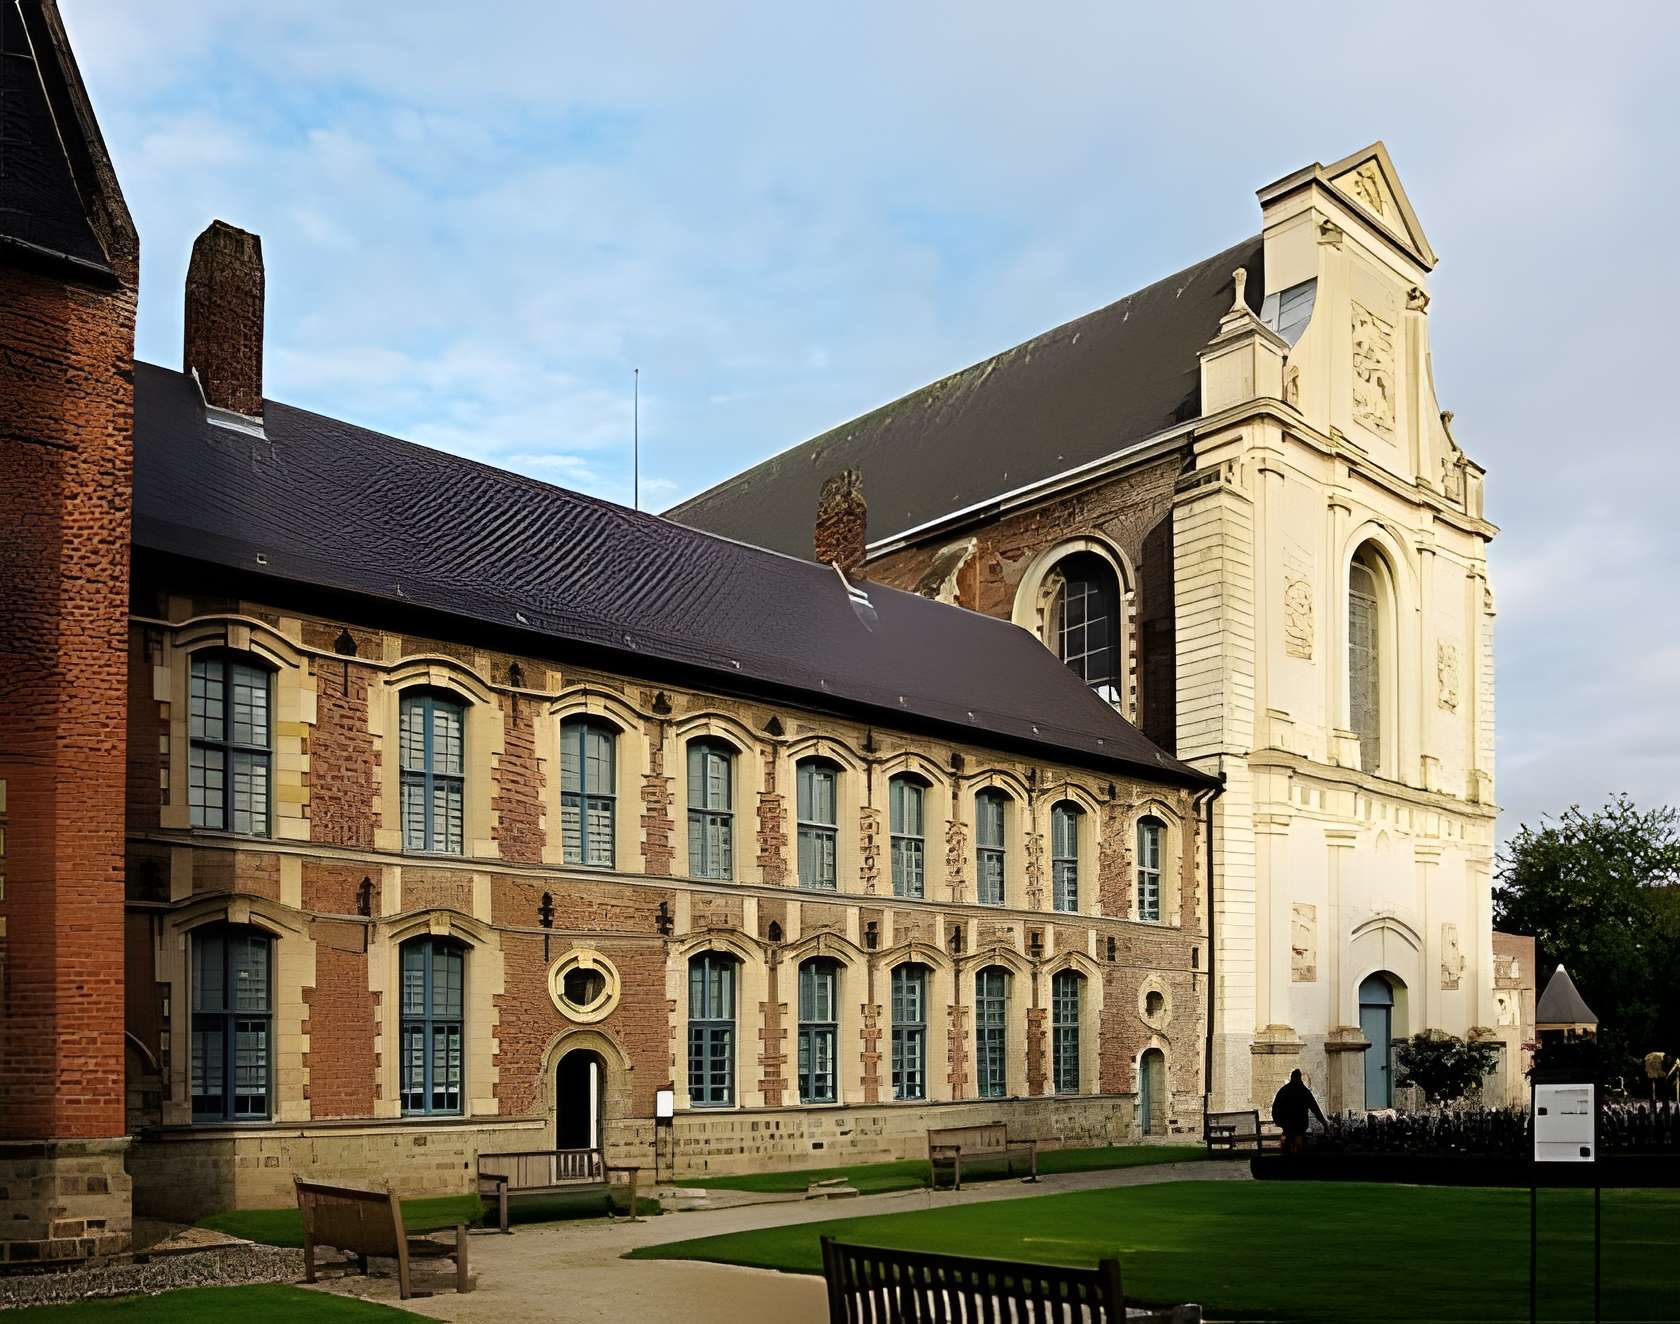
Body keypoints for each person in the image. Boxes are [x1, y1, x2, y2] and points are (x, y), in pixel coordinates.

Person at [1271, 1068, 1328, 1154]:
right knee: (1300, 1153)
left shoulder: (1283, 1091)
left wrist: (1279, 1122)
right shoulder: (1303, 1091)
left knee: (1287, 1153)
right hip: (1299, 1128)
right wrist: (1324, 1123)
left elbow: (1275, 1109)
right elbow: (1315, 1109)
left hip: (1287, 1128)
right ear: (1299, 1078)